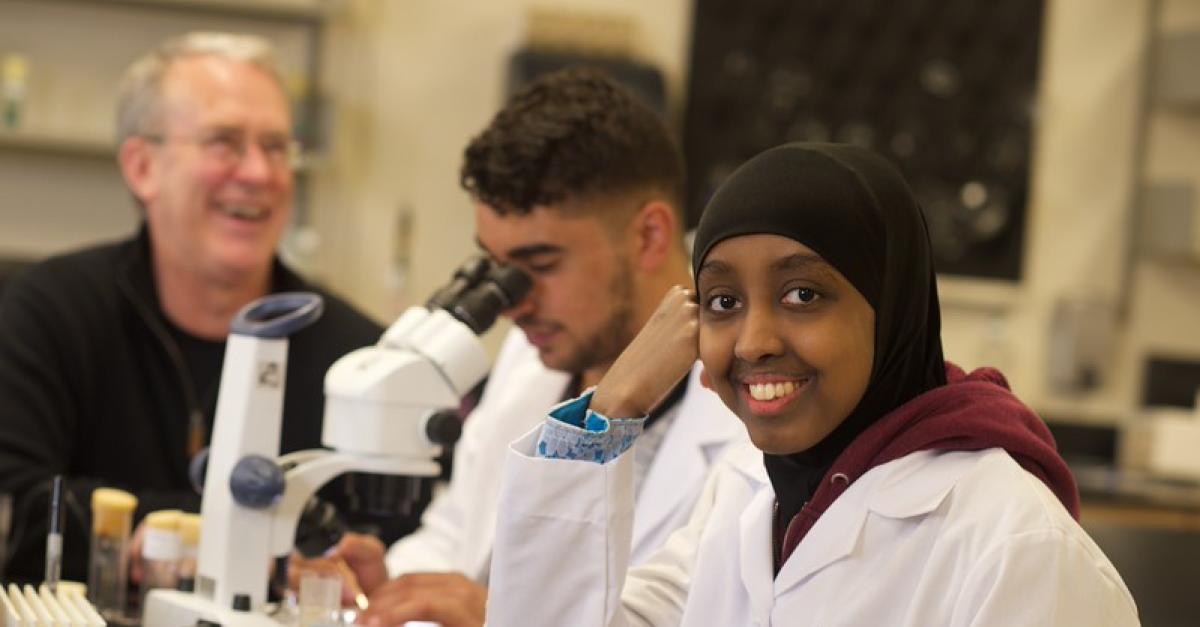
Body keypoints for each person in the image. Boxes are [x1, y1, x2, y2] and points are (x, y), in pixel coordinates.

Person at [484, 142, 1139, 625]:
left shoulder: (1015, 546)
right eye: (722, 301)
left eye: (803, 293)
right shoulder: (744, 496)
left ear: (891, 306)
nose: (755, 340)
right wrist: (613, 405)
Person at [312, 68, 745, 626]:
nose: (513, 304)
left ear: (649, 235)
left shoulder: (745, 415)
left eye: (539, 265)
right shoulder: (534, 357)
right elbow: (458, 533)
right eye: (496, 268)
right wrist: (391, 586)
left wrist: (499, 615)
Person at [0, 32, 382, 583]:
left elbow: (386, 534)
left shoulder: (357, 355)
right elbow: (23, 502)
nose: (258, 173)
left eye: (276, 147)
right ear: (142, 167)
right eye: (224, 143)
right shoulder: (52, 312)